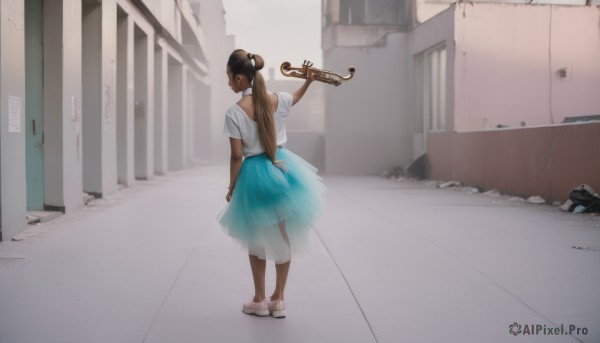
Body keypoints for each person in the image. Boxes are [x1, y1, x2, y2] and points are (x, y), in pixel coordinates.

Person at [218, 49, 324, 318]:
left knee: (256, 238)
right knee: (282, 235)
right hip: (283, 168)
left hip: (254, 174)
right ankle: (278, 299)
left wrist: (232, 186)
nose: (228, 82)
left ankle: (258, 299)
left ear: (241, 79)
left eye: (229, 77)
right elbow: (295, 98)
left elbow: (235, 156)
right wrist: (308, 81)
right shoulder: (277, 100)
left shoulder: (234, 112)